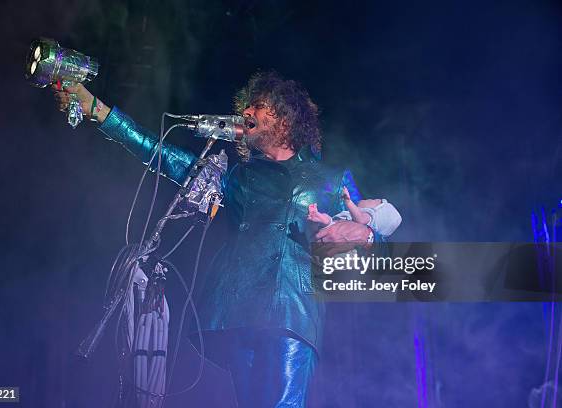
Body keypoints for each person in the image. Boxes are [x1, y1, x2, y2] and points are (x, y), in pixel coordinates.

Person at [53, 71, 401, 407]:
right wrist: (99, 111)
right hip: (237, 310)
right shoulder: (238, 176)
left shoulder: (330, 179)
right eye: (246, 106)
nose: (246, 112)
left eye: (258, 105)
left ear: (284, 118)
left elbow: (377, 258)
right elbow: (161, 155)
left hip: (292, 312)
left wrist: (367, 235)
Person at [307, 186, 402, 238]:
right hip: (333, 233)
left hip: (339, 240)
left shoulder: (368, 219)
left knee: (327, 222)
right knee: (326, 221)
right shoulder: (349, 217)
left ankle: (318, 220)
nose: (369, 199)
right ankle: (316, 218)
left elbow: (360, 219)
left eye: (373, 200)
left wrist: (348, 201)